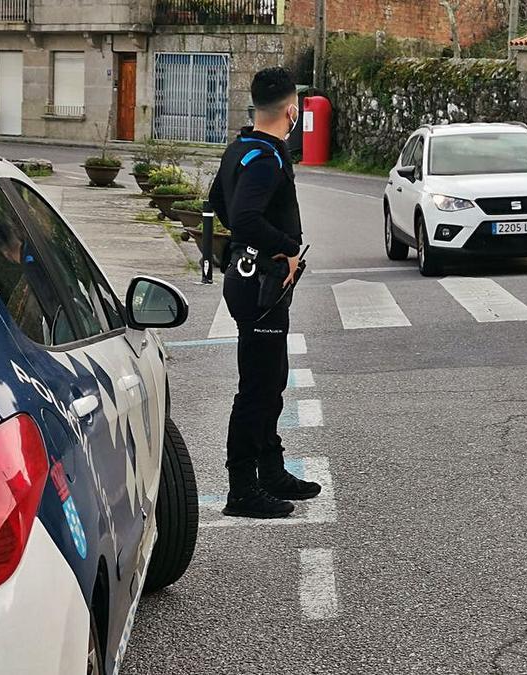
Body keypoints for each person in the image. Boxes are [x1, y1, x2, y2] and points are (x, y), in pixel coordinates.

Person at [210, 67, 321, 519]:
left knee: (271, 380)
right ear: (291, 111)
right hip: (260, 285)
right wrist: (288, 248)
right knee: (257, 388)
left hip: (252, 280)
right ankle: (242, 489)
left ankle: (271, 471)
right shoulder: (267, 158)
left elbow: (218, 200)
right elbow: (244, 218)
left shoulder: (240, 148)